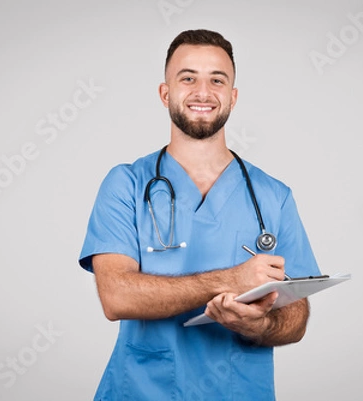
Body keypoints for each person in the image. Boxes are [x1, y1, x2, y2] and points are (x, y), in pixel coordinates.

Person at [78, 29, 321, 401]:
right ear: (165, 93)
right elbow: (116, 296)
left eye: (217, 80)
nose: (203, 92)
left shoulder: (273, 196)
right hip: (145, 390)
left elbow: (296, 318)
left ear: (233, 97)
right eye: (188, 77)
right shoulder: (126, 183)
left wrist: (261, 325)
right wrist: (231, 280)